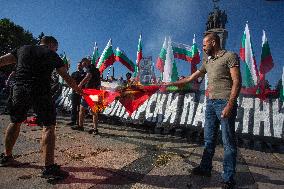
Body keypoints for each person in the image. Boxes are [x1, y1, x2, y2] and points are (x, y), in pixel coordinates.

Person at [164, 33, 241, 189]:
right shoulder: (207, 61)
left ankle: (228, 178)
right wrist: (170, 84)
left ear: (213, 42)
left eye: (205, 44)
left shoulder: (230, 56)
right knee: (209, 139)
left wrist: (230, 105)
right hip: (211, 104)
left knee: (228, 142)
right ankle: (205, 168)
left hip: (225, 102)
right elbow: (191, 78)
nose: (203, 47)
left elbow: (237, 81)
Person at [0, 36, 83, 180]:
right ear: (52, 45)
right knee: (49, 126)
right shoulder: (52, 55)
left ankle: (7, 156)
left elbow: (1, 60)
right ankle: (49, 167)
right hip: (40, 89)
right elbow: (65, 76)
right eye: (56, 48)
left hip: (19, 88)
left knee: (15, 121)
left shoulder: (22, 48)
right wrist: (77, 88)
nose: (56, 50)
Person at [71, 58, 101, 135]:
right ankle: (89, 128)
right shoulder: (96, 70)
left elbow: (88, 77)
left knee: (88, 110)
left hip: (90, 92)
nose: (82, 64)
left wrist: (80, 85)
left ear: (88, 62)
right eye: (82, 63)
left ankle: (88, 127)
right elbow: (98, 81)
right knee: (87, 109)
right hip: (92, 92)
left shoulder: (90, 68)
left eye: (83, 62)